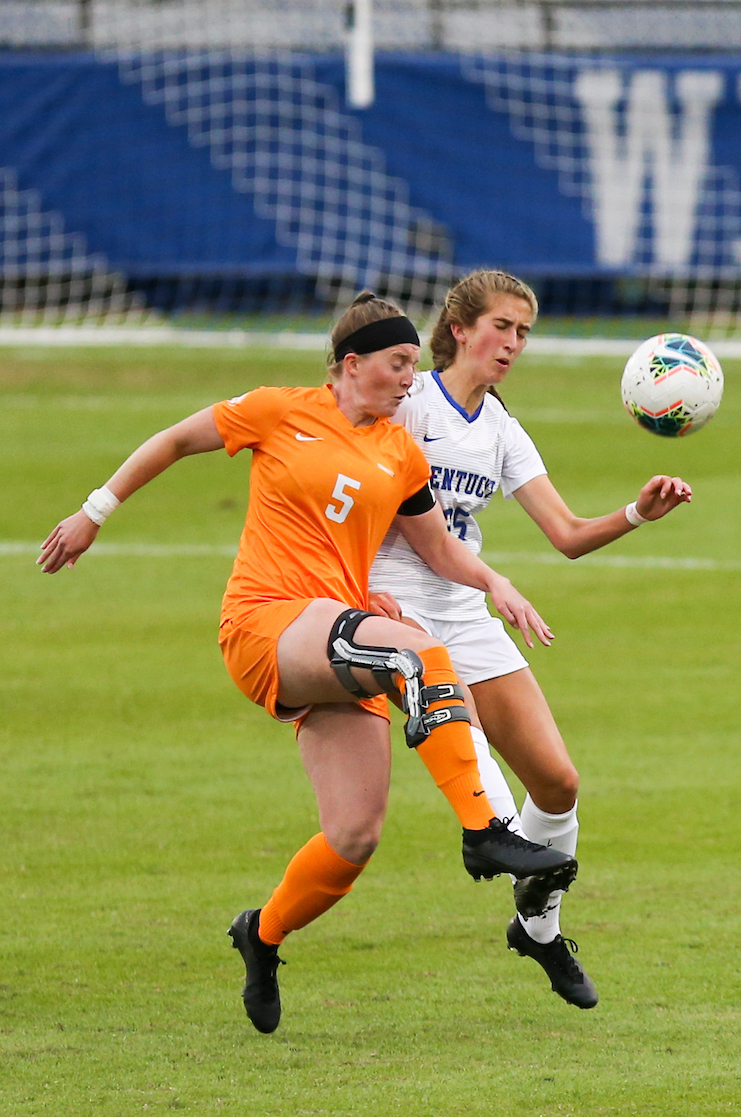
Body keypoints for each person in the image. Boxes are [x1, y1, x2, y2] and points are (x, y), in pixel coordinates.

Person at [37, 291, 579, 1036]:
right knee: (421, 652)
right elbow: (171, 441)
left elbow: (439, 549)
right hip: (264, 621)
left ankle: (260, 934)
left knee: (353, 836)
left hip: (334, 638)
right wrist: (94, 511)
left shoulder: (399, 449)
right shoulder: (277, 409)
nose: (408, 381)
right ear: (352, 365)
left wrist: (496, 581)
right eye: (397, 365)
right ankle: (484, 827)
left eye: (413, 367)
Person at [369, 270, 693, 1010]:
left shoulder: (501, 429)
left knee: (558, 784)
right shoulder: (409, 401)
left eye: (523, 332)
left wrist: (638, 513)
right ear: (459, 328)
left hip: (465, 605)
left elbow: (568, 535)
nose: (512, 343)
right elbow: (341, 491)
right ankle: (492, 840)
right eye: (502, 327)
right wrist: (354, 591)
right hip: (393, 614)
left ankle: (538, 929)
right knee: (495, 808)